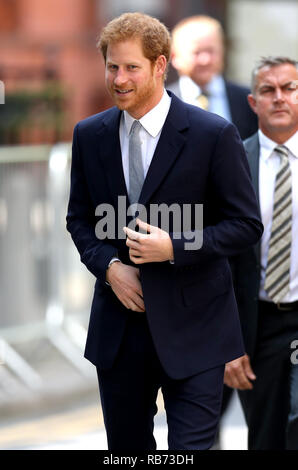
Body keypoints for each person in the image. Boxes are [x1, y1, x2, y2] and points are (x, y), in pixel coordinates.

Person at [66, 12, 263, 451]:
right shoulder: (90, 135)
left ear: (160, 66)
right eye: (112, 67)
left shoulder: (213, 134)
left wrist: (174, 246)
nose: (119, 79)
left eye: (131, 67)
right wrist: (110, 266)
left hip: (197, 328)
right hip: (120, 332)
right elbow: (79, 219)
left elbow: (245, 225)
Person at [224, 56, 298, 450]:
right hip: (260, 323)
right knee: (266, 435)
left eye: (289, 88)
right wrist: (229, 345)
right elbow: (220, 263)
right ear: (253, 103)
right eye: (268, 90)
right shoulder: (232, 161)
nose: (279, 98)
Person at [168, 15, 258, 140]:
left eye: (211, 51)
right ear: (174, 57)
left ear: (223, 51)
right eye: (197, 52)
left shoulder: (249, 101)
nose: (205, 60)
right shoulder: (163, 104)